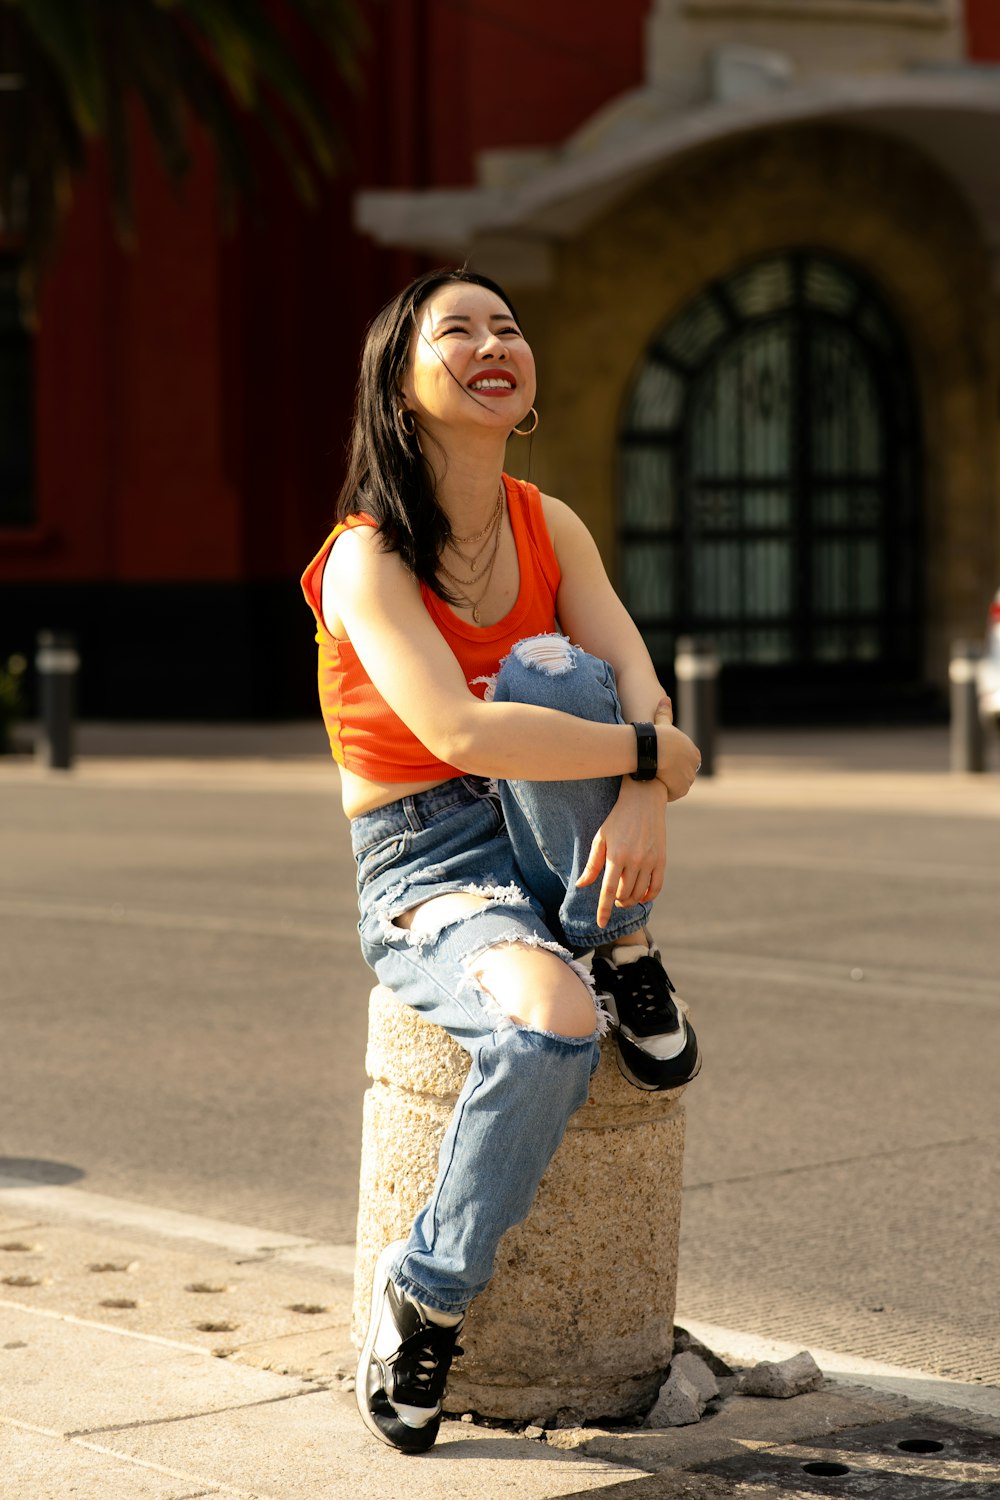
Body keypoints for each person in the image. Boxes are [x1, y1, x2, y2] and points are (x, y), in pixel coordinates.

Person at [301, 268, 702, 1455]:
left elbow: (633, 674)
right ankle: (422, 1294)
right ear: (402, 384)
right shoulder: (368, 556)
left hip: (554, 822)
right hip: (428, 860)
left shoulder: (547, 521)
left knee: (553, 667)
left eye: (507, 327)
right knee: (549, 1026)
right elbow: (459, 737)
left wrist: (640, 791)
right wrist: (653, 755)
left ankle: (617, 936)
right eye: (457, 331)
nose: (493, 344)